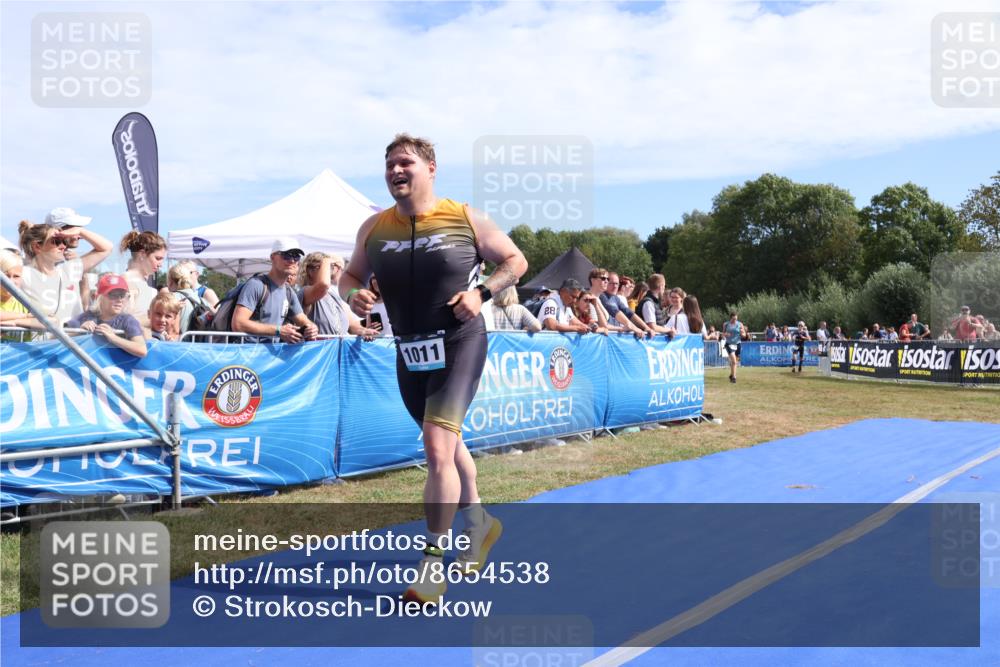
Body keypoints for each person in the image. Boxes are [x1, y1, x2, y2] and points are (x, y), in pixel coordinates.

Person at [339, 133, 528, 605]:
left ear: (431, 168)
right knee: (444, 439)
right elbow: (349, 277)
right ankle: (480, 522)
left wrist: (480, 294)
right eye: (389, 166)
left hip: (461, 340)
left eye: (405, 163)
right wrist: (352, 295)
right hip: (410, 348)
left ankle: (432, 564)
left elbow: (515, 260)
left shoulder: (465, 217)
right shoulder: (373, 227)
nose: (395, 172)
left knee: (437, 449)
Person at [18, 216, 111, 325]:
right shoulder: (23, 274)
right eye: (56, 241)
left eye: (64, 241)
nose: (63, 246)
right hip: (45, 341)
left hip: (75, 340)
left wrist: (81, 231)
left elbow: (106, 248)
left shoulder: (70, 269)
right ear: (37, 247)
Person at [231, 237, 319, 343]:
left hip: (271, 357)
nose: (292, 260)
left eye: (296, 256)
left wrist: (312, 328)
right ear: (272, 257)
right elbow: (238, 323)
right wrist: (278, 330)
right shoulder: (256, 285)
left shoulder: (289, 292)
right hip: (249, 355)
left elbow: (303, 320)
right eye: (286, 255)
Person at [297, 252, 378, 338]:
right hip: (319, 350)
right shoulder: (304, 292)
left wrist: (364, 331)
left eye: (331, 267)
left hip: (338, 350)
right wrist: (327, 259)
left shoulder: (333, 296)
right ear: (310, 271)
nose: (330, 270)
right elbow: (323, 285)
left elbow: (352, 324)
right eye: (326, 267)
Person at [67, 274, 147, 358]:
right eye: (113, 295)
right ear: (100, 297)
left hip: (114, 369)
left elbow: (142, 349)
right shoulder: (87, 316)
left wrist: (113, 338)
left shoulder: (127, 320)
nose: (119, 300)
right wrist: (78, 331)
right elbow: (54, 338)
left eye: (122, 295)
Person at [120, 231, 167, 330]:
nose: (161, 264)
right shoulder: (125, 281)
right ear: (142, 254)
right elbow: (126, 319)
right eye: (158, 258)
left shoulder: (142, 284)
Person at [591, 268, 649, 336]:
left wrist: (646, 328)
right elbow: (613, 312)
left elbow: (629, 313)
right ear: (593, 280)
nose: (606, 281)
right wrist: (632, 328)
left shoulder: (613, 298)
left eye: (617, 284)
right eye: (603, 278)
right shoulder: (600, 297)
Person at [1, 249, 43, 340]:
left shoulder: (25, 300)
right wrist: (26, 316)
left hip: (22, 354)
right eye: (5, 276)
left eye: (16, 276)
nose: (10, 281)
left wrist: (15, 322)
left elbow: (51, 321)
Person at [168, 263, 216, 336]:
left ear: (170, 281)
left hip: (176, 345)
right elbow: (216, 315)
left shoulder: (170, 299)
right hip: (198, 345)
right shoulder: (202, 300)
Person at [723, 312, 742, 383]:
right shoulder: (726, 324)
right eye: (733, 319)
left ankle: (731, 374)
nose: (735, 321)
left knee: (735, 362)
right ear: (730, 318)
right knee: (734, 361)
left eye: (736, 319)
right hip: (729, 344)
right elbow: (723, 334)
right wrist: (726, 334)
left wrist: (743, 333)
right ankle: (734, 378)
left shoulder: (740, 324)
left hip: (738, 344)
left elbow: (743, 334)